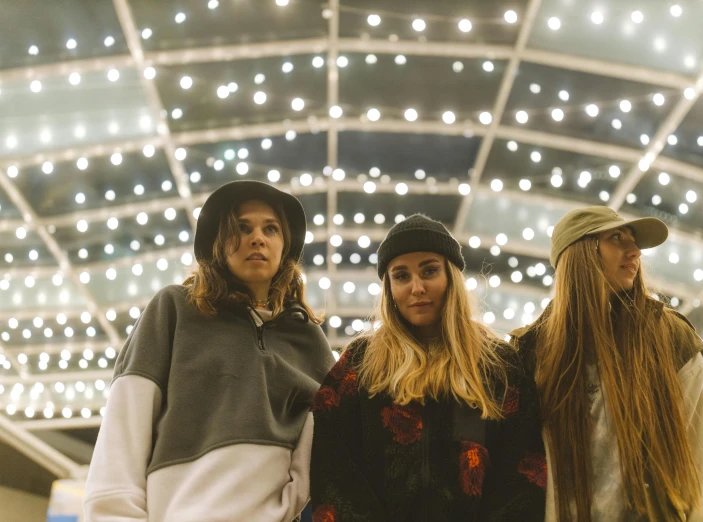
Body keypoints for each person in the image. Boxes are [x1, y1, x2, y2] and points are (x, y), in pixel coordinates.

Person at [84, 180, 335, 522]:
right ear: (218, 243)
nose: (257, 238)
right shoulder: (174, 310)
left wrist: (289, 503)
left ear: (285, 245)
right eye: (241, 228)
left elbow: (329, 443)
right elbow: (125, 426)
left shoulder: (309, 339)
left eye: (271, 229)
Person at [310, 214, 547, 522]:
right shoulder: (360, 362)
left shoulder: (497, 364)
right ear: (389, 288)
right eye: (401, 276)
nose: (417, 287)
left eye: (429, 270)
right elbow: (333, 466)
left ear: (451, 276)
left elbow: (525, 471)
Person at [510, 206, 703, 522]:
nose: (635, 250)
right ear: (579, 252)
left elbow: (702, 460)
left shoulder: (669, 337)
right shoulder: (530, 350)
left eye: (633, 240)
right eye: (617, 238)